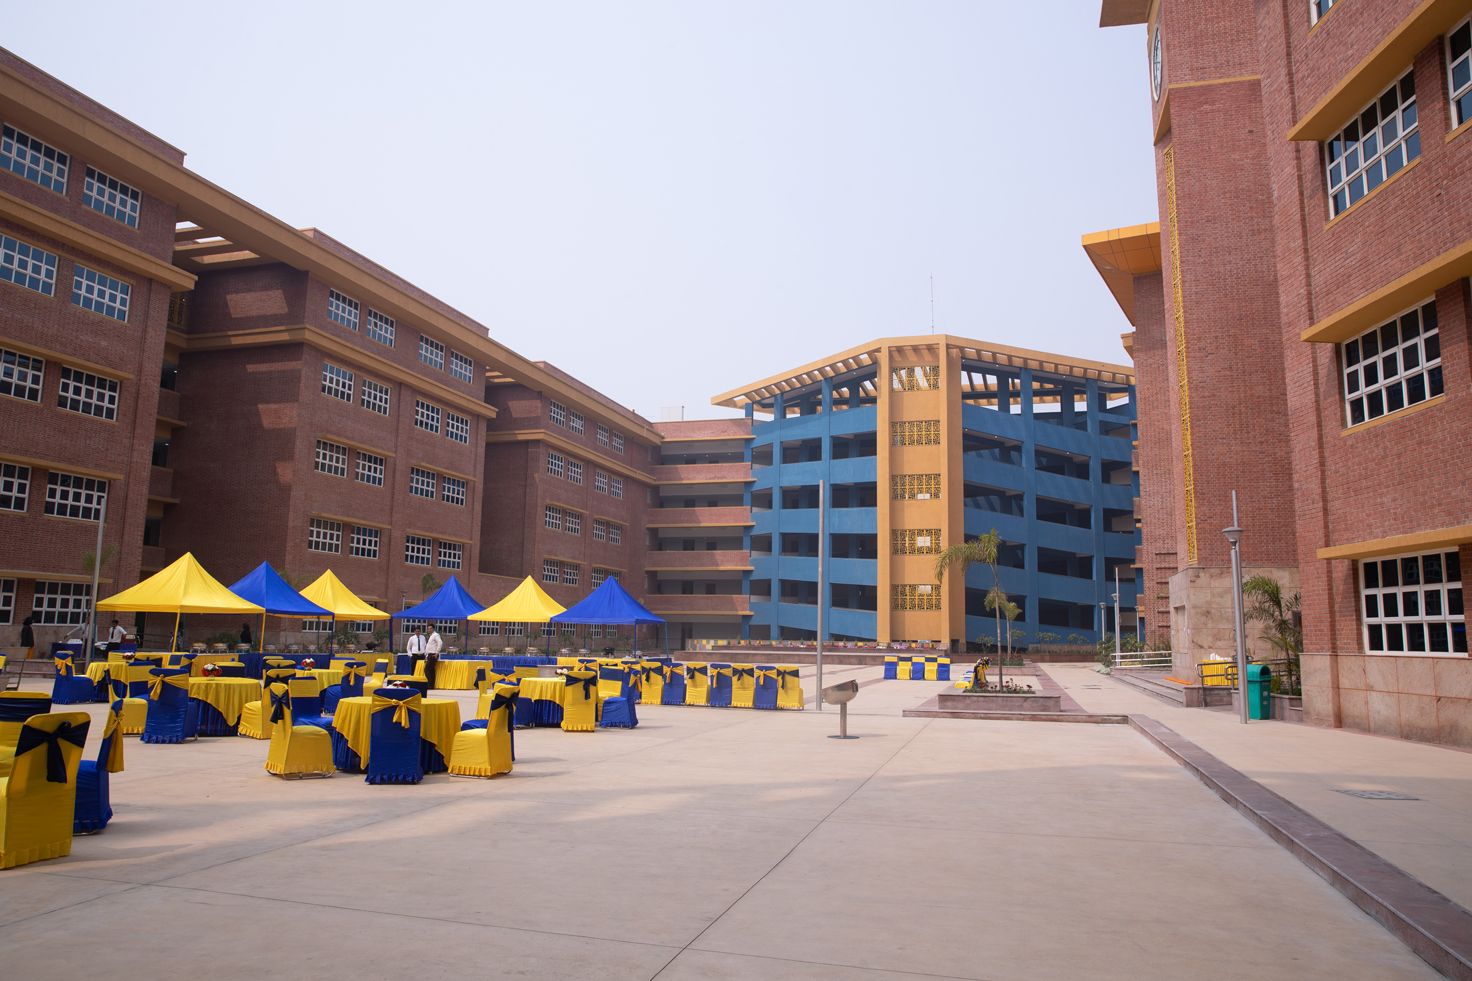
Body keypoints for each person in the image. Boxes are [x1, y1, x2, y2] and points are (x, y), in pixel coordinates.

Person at [424, 624, 443, 688]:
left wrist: (437, 653)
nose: (429, 630)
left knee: (427, 669)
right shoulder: (431, 636)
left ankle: (429, 684)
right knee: (431, 670)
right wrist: (426, 655)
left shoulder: (436, 635)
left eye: (430, 628)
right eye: (428, 628)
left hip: (433, 655)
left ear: (433, 629)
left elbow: (440, 643)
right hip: (429, 655)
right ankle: (431, 685)